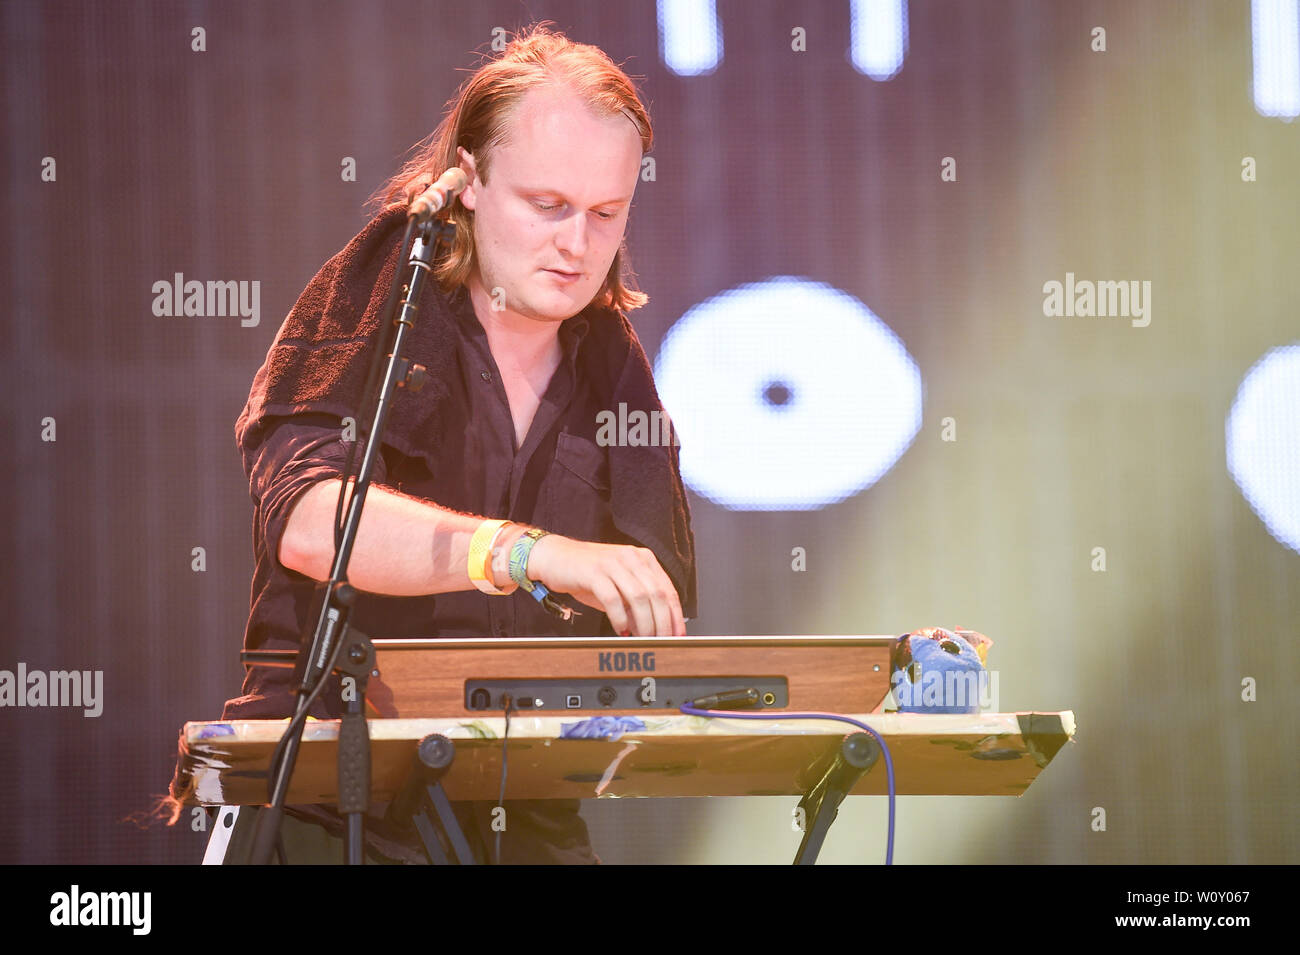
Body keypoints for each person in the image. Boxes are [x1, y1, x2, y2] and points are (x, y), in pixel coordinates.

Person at [203, 24, 697, 865]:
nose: (578, 245)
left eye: (606, 214)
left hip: (523, 804)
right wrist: (524, 552)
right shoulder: (384, 294)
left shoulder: (611, 356)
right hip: (329, 791)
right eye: (547, 206)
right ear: (467, 179)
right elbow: (309, 518)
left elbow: (655, 603)